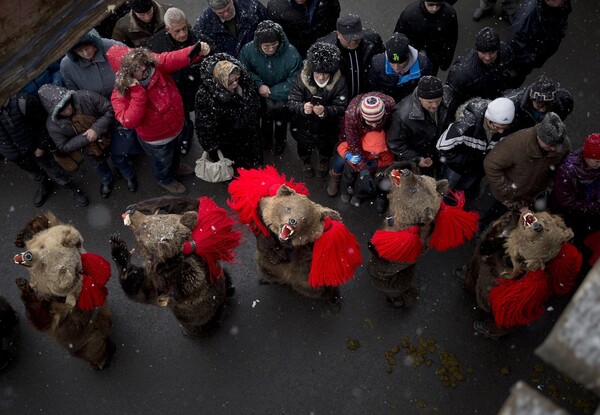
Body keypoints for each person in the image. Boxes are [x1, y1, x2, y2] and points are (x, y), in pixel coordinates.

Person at [108, 43, 210, 195]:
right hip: (157, 140)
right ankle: (165, 179)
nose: (144, 69)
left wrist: (195, 50)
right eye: (137, 69)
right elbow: (129, 121)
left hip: (177, 126)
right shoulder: (119, 94)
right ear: (127, 75)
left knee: (175, 153)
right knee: (162, 162)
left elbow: (171, 58)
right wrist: (137, 92)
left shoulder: (152, 64)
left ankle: (175, 167)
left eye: (142, 64)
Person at [60, 30, 140, 192]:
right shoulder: (67, 65)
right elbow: (74, 95)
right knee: (98, 152)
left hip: (122, 108)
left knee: (120, 148)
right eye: (79, 51)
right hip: (96, 114)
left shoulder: (115, 48)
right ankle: (109, 177)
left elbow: (136, 74)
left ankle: (127, 173)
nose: (86, 54)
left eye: (88, 48)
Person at [482, 112, 571, 227]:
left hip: (526, 200)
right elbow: (491, 164)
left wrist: (548, 185)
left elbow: (561, 169)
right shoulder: (517, 143)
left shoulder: (563, 145)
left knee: (508, 228)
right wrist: (505, 189)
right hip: (500, 197)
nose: (554, 148)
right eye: (549, 145)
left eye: (556, 144)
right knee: (483, 218)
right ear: (539, 136)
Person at [0, 92, 89, 206]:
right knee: (34, 173)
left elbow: (43, 124)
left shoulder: (23, 102)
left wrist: (41, 146)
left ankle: (72, 188)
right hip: (16, 156)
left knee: (55, 171)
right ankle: (44, 185)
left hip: (35, 150)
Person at [148, 7, 211, 155]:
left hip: (196, 90)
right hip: (174, 93)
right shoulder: (155, 44)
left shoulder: (198, 39)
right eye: (177, 31)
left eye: (184, 28)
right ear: (167, 29)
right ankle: (185, 141)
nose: (183, 34)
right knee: (183, 122)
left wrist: (209, 50)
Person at [38, 85, 116, 199]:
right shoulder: (52, 125)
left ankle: (127, 174)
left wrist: (96, 129)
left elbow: (109, 109)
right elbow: (63, 146)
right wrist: (87, 138)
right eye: (62, 110)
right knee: (99, 166)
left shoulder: (85, 96)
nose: (68, 109)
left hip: (108, 136)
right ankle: (107, 180)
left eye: (67, 103)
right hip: (88, 151)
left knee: (118, 157)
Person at [239, 20, 302, 155]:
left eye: (274, 45)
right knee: (265, 119)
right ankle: (266, 140)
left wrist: (271, 92)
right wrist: (259, 84)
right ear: (259, 43)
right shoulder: (248, 51)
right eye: (267, 46)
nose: (271, 49)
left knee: (281, 120)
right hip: (260, 93)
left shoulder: (291, 54)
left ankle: (280, 142)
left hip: (281, 97)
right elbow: (243, 70)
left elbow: (295, 80)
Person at [287, 42, 348, 178]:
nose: (321, 77)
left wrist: (325, 111)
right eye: (318, 73)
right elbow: (292, 102)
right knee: (303, 146)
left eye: (325, 74)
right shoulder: (300, 80)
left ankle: (323, 160)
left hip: (328, 127)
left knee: (326, 146)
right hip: (303, 125)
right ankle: (305, 160)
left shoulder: (340, 83)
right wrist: (302, 108)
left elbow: (341, 107)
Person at [195, 53, 263, 170]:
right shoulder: (206, 96)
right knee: (233, 168)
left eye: (237, 79)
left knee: (253, 166)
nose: (235, 83)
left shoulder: (245, 83)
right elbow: (204, 126)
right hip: (227, 142)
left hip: (249, 136)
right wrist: (212, 147)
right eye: (230, 82)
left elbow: (254, 103)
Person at [436, 97, 515, 196]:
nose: (501, 131)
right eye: (497, 127)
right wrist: (463, 162)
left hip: (476, 173)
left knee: (461, 192)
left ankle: (453, 205)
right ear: (488, 119)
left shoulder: (505, 132)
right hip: (456, 169)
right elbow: (442, 147)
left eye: (505, 127)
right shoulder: (465, 126)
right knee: (445, 192)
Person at [386, 75, 456, 178]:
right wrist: (417, 158)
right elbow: (395, 143)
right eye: (430, 102)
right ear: (420, 97)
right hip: (421, 154)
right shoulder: (402, 115)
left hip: (439, 151)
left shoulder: (447, 98)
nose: (435, 105)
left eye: (438, 100)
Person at [338, 93, 396, 209]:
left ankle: (358, 195)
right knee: (348, 177)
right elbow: (342, 146)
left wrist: (376, 163)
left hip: (371, 168)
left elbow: (388, 159)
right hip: (351, 164)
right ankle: (345, 191)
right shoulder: (352, 118)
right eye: (370, 122)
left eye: (378, 121)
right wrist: (348, 155)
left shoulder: (390, 106)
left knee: (364, 184)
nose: (374, 125)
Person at [317, 14, 384, 99]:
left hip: (367, 97)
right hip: (340, 100)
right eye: (348, 39)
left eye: (357, 37)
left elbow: (381, 65)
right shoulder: (324, 50)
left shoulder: (372, 40)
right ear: (338, 34)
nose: (353, 42)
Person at [508, 0, 572, 86]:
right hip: (522, 62)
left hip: (536, 51)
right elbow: (514, 43)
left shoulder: (562, 5)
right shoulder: (528, 16)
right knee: (513, 79)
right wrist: (532, 60)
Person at [446, 27, 515, 106]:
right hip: (474, 107)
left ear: (498, 49)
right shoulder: (461, 72)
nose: (487, 57)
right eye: (483, 52)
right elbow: (452, 98)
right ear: (477, 50)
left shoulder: (505, 52)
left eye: (492, 52)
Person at [552, 133, 600, 247]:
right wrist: (596, 206)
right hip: (572, 213)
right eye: (597, 161)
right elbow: (566, 203)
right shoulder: (567, 171)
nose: (599, 164)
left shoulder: (593, 166)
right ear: (586, 156)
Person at [394, 0, 458, 75]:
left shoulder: (450, 14)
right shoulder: (409, 14)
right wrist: (397, 59)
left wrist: (446, 61)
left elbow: (451, 40)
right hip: (413, 54)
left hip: (435, 56)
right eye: (431, 5)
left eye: (438, 5)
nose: (434, 8)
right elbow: (398, 39)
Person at [367, 32, 433, 103]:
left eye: (401, 63)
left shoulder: (423, 65)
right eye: (392, 63)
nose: (396, 67)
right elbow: (372, 89)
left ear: (408, 57)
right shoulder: (377, 63)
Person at [192, 0, 267, 58]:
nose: (226, 14)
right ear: (213, 10)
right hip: (228, 69)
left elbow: (269, 25)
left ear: (231, 1)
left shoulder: (251, 7)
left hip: (257, 58)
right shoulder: (204, 24)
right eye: (220, 13)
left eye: (228, 9)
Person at [267, 0, 340, 58]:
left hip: (323, 44)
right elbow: (277, 35)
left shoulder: (326, 2)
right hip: (296, 50)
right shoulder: (275, 6)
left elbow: (334, 15)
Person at [504, 73, 573, 132]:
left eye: (548, 104)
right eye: (539, 105)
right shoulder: (513, 105)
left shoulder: (565, 101)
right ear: (531, 99)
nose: (543, 109)